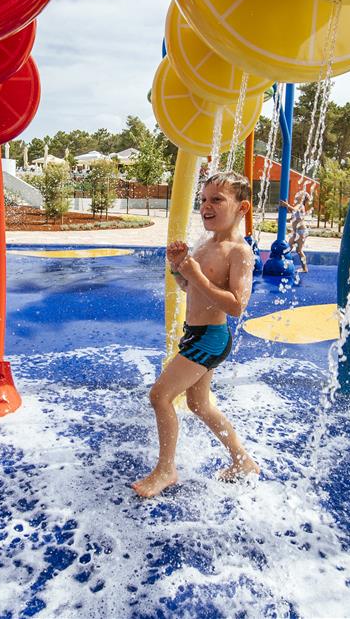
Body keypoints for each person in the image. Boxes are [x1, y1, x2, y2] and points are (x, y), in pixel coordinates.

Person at [132, 171, 261, 499]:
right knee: (199, 404)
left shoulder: (239, 252)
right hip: (195, 334)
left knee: (160, 396)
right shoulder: (205, 244)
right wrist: (178, 268)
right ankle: (242, 460)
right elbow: (190, 288)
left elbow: (237, 306)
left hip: (211, 337)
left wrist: (197, 275)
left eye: (217, 199)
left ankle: (166, 469)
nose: (206, 206)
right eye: (203, 199)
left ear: (242, 207)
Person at [280, 190, 311, 273]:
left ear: (302, 198)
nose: (297, 194)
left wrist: (286, 205)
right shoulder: (298, 206)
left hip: (301, 232)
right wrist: (283, 219)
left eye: (300, 194)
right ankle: (283, 264)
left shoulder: (300, 205)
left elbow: (294, 210)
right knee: (288, 248)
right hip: (296, 232)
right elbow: (293, 217)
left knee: (299, 250)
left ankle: (305, 268)